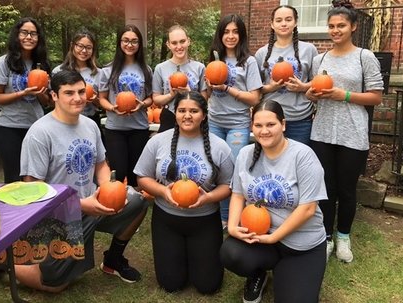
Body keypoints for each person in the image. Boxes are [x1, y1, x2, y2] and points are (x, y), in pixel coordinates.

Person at [17, 70, 148, 292]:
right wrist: (79, 205)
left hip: (93, 203)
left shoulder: (90, 125)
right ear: (54, 96)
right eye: (69, 93)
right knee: (54, 284)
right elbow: (33, 191)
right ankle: (6, 263)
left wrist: (107, 187)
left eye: (80, 91)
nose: (77, 98)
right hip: (59, 215)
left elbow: (101, 164)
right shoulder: (40, 133)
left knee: (137, 202)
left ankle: (113, 260)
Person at [220, 100, 327, 303]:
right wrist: (233, 227)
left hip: (301, 244)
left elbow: (308, 208)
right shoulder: (245, 154)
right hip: (261, 237)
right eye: (258, 125)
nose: (264, 131)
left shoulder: (303, 155)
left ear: (283, 125)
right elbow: (238, 194)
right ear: (252, 127)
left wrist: (274, 237)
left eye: (271, 125)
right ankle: (258, 273)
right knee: (231, 253)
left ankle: (288, 273)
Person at [306, 0, 383, 263]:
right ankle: (326, 237)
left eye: (341, 25)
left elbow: (375, 97)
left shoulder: (365, 57)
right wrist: (310, 93)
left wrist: (344, 94)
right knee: (326, 188)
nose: (335, 30)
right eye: (331, 26)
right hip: (323, 132)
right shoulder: (320, 59)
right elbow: (315, 94)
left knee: (347, 190)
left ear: (353, 26)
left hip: (353, 132)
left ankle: (344, 236)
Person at [134, 91, 234, 294]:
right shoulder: (157, 141)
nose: (187, 115)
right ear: (175, 113)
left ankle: (197, 257)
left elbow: (228, 186)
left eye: (194, 111)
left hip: (205, 220)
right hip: (167, 220)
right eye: (182, 110)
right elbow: (142, 178)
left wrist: (209, 197)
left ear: (204, 115)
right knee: (170, 284)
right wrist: (163, 191)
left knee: (208, 286)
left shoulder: (220, 147)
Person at [206, 14, 262, 228]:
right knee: (214, 168)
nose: (230, 36)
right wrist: (209, 87)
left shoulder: (249, 61)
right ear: (220, 35)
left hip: (237, 123)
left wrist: (228, 88)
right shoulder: (213, 59)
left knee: (233, 170)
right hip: (214, 122)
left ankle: (229, 217)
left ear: (241, 35)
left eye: (235, 32)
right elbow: (208, 95)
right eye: (226, 32)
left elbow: (255, 97)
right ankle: (215, 214)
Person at [0, 17, 51, 183]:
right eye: (24, 33)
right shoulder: (3, 63)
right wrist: (22, 93)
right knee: (14, 179)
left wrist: (39, 92)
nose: (29, 37)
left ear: (38, 38)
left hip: (36, 128)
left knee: (37, 177)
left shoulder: (41, 65)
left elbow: (46, 102)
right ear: (17, 35)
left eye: (33, 34)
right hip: (9, 129)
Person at [99, 24, 153, 188]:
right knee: (119, 172)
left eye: (134, 41)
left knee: (136, 174)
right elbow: (101, 98)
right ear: (119, 42)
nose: (130, 45)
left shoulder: (146, 70)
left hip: (139, 128)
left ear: (139, 44)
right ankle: (118, 206)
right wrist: (112, 108)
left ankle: (135, 208)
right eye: (126, 40)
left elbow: (151, 98)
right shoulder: (108, 70)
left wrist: (142, 104)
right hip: (115, 129)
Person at [255, 5, 318, 145]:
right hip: (270, 118)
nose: (283, 23)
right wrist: (270, 87)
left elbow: (318, 82)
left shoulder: (309, 50)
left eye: (288, 19)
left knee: (298, 162)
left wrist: (302, 87)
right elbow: (255, 89)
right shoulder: (261, 53)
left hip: (300, 119)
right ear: (272, 24)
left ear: (295, 22)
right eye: (278, 20)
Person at [152, 25, 207, 132]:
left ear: (188, 41)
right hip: (169, 115)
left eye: (182, 41)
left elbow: (204, 100)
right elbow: (156, 99)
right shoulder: (160, 68)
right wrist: (171, 95)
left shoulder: (199, 67)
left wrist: (190, 93)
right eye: (174, 43)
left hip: (192, 117)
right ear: (168, 45)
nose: (179, 46)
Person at [52, 29, 102, 127]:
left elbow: (103, 103)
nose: (84, 51)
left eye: (88, 47)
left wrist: (95, 100)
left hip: (90, 120)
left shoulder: (98, 73)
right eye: (80, 46)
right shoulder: (58, 71)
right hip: (63, 120)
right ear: (72, 46)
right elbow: (52, 101)